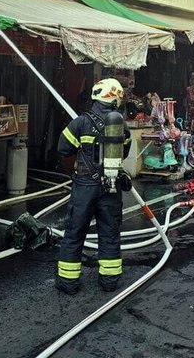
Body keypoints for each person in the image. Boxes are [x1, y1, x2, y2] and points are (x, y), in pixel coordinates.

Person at [55, 78, 133, 295]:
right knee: (109, 232)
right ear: (115, 97)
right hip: (111, 186)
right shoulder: (121, 126)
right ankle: (109, 281)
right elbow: (124, 152)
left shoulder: (80, 122)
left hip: (85, 186)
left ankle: (68, 282)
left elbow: (63, 149)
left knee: (75, 232)